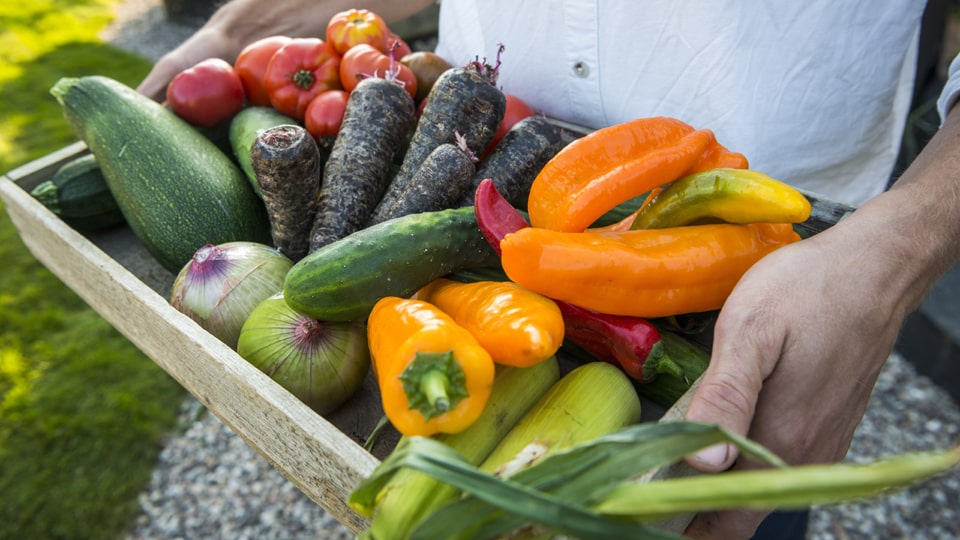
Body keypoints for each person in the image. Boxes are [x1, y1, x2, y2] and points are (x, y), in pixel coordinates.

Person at [139, 1, 960, 538]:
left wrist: (895, 251)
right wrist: (232, 32)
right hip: (482, 172)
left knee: (729, 505)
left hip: (782, 274)